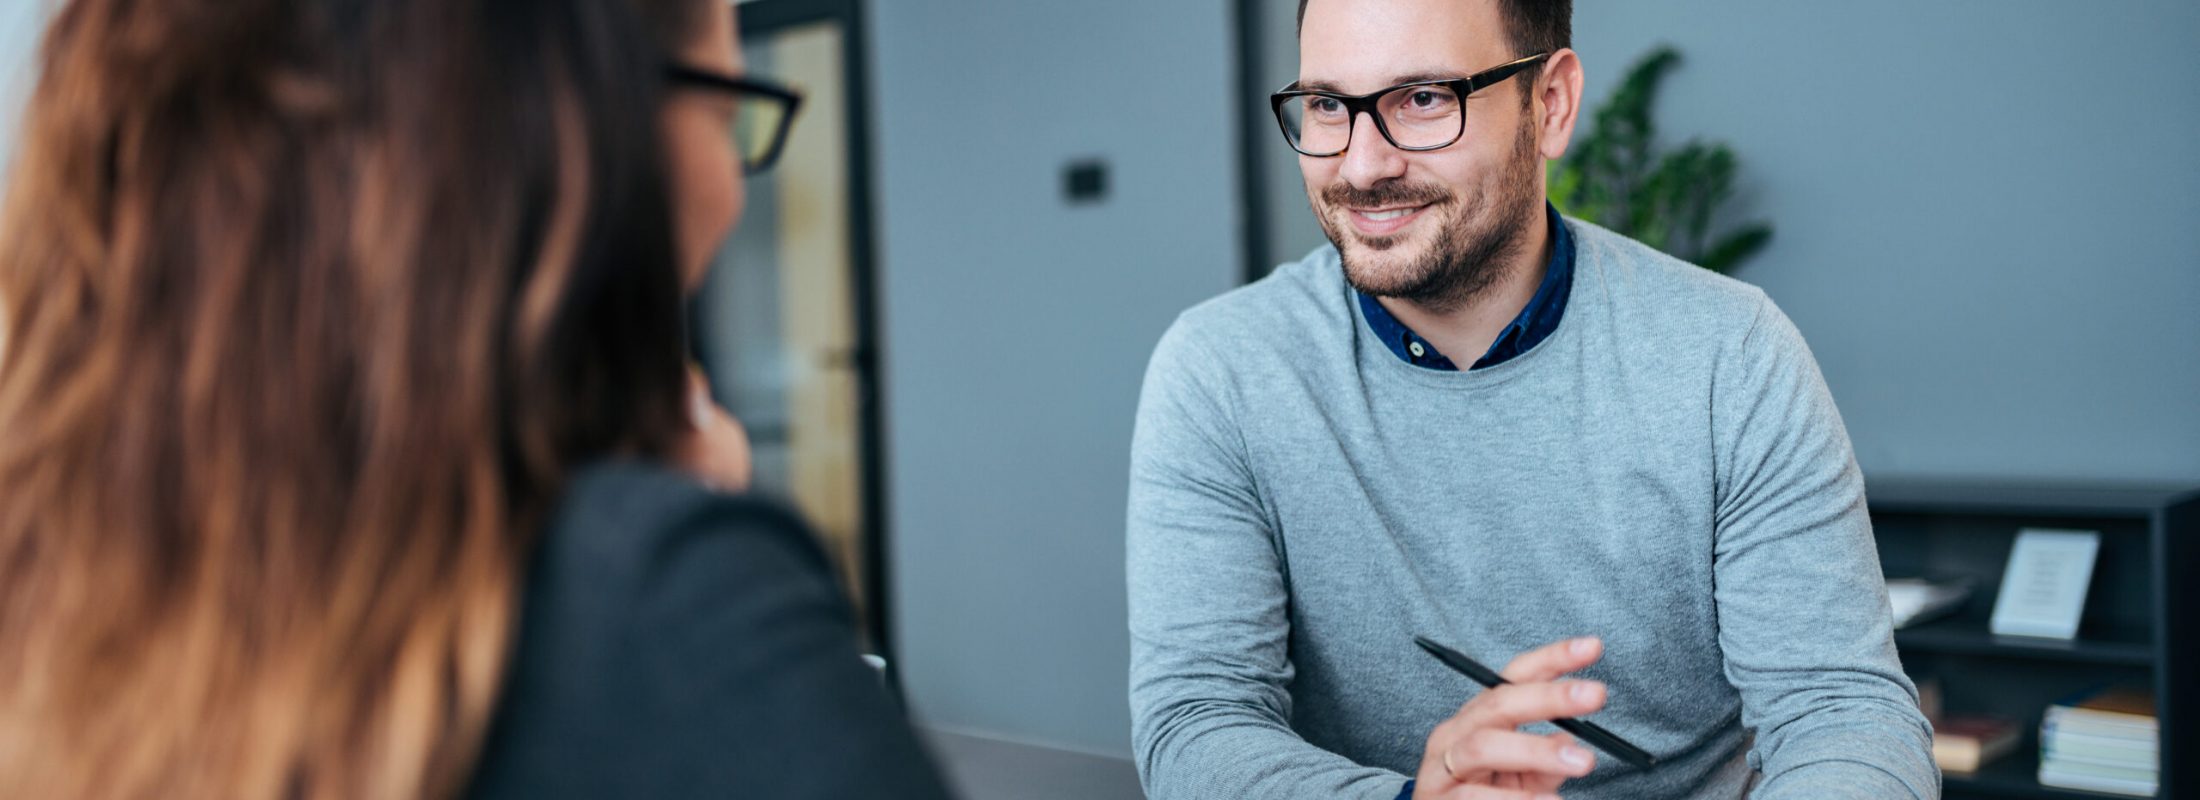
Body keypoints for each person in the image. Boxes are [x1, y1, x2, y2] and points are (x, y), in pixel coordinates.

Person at [0, 0, 951, 798]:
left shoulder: (63, 588)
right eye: (731, 112)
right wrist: (673, 540)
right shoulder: (666, 619)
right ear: (571, 134)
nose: (734, 193)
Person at [1126, 0, 1937, 798]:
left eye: (1423, 98)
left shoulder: (1730, 354)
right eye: (1329, 105)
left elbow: (1843, 714)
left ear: (1549, 104)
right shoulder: (1222, 372)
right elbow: (1199, 724)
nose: (1363, 166)